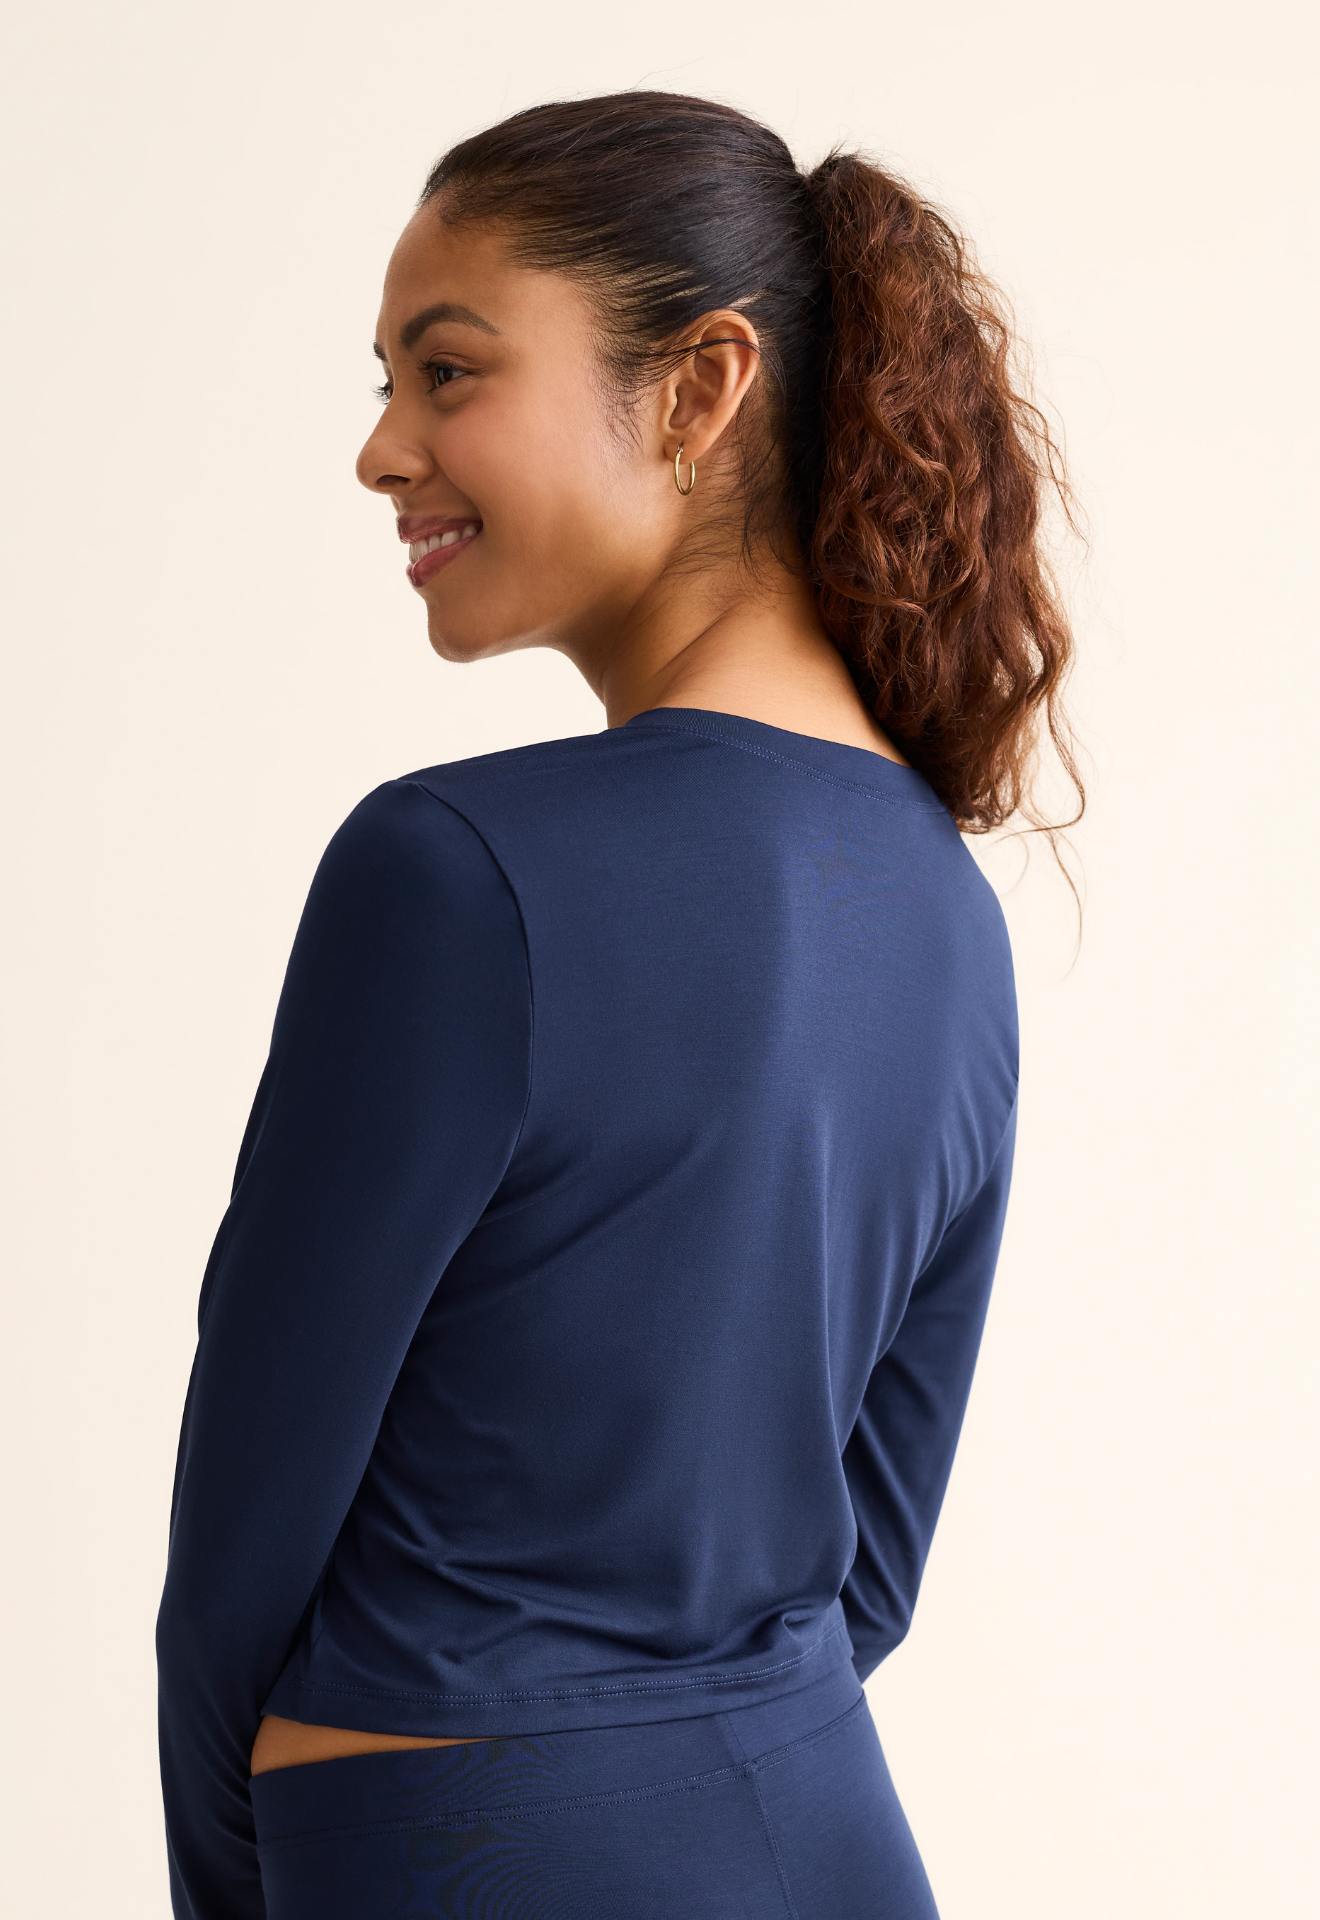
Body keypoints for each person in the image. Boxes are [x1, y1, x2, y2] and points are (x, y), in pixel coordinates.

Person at [155, 90, 1080, 1920]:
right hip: (825, 1827)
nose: (382, 450)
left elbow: (241, 1555)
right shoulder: (945, 909)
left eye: (447, 373)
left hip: (464, 1846)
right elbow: (871, 1561)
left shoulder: (453, 871)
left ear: (700, 387)